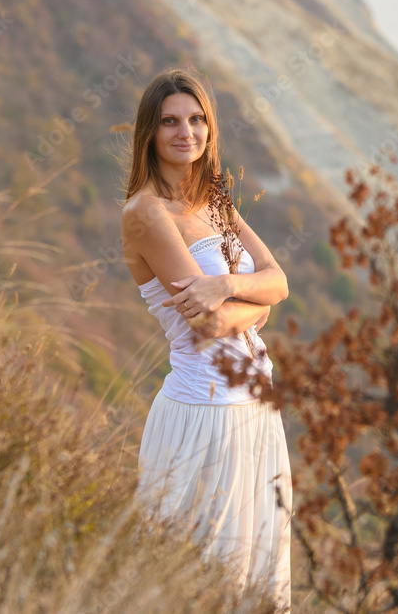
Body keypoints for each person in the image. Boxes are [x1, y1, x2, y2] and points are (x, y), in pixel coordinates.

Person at [120, 66, 293, 611]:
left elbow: (279, 282)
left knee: (256, 574)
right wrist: (249, 306)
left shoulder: (212, 199)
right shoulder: (145, 213)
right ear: (149, 132)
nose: (185, 133)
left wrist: (225, 285)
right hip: (205, 412)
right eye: (170, 121)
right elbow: (209, 325)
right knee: (202, 576)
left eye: (197, 120)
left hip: (256, 408)